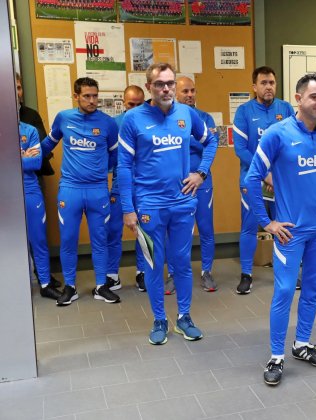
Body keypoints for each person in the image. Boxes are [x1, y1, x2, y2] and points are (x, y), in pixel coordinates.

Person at [244, 72, 316, 386]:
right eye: (314, 97)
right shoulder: (277, 134)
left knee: (313, 291)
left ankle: (301, 344)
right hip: (289, 232)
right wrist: (267, 222)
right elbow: (252, 178)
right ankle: (276, 355)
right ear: (298, 98)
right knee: (284, 291)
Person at [118, 62, 213, 345]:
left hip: (183, 204)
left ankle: (184, 317)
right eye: (160, 84)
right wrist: (127, 209)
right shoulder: (133, 119)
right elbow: (123, 167)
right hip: (149, 207)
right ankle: (159, 319)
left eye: (170, 83)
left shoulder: (187, 114)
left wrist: (201, 173)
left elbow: (211, 140)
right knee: (154, 263)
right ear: (149, 87)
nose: (166, 88)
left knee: (182, 263)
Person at [36, 77, 120, 306]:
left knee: (100, 239)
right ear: (76, 96)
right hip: (70, 190)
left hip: (98, 191)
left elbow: (114, 155)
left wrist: (101, 171)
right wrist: (25, 156)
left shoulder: (108, 123)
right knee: (68, 240)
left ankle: (101, 286)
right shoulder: (64, 118)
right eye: (87, 96)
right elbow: (47, 145)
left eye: (95, 96)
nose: (93, 100)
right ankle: (70, 287)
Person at [233, 66, 294, 295]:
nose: (268, 87)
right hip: (253, 179)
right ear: (254, 87)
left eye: (272, 82)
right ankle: (246, 274)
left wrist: (277, 175)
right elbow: (240, 149)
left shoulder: (285, 108)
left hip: (280, 182)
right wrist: (265, 173)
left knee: (284, 226)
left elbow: (290, 143)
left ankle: (285, 273)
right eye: (263, 83)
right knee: (249, 226)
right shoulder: (244, 111)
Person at [166, 76, 219, 292]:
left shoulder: (205, 118)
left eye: (192, 91)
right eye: (185, 91)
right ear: (175, 93)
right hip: (176, 185)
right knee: (175, 231)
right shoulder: (167, 118)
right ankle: (173, 273)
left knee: (206, 228)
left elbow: (210, 146)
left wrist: (201, 173)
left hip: (202, 182)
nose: (190, 95)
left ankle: (206, 271)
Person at [109, 85, 146, 292]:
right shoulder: (114, 124)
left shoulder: (149, 122)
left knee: (142, 232)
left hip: (142, 186)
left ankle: (142, 272)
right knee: (114, 231)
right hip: (120, 185)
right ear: (123, 103)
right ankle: (112, 275)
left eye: (139, 104)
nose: (134, 108)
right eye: (130, 104)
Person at [20, 121, 62, 300]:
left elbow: (36, 162)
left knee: (38, 239)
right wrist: (22, 155)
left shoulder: (29, 130)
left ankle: (45, 284)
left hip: (29, 191)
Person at [16, 72, 55, 178]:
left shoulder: (31, 114)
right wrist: (23, 157)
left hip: (32, 175)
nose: (17, 92)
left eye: (19, 88)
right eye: (13, 88)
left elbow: (39, 149)